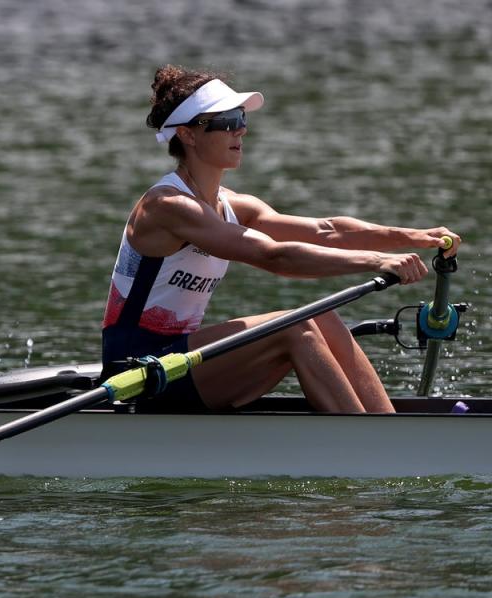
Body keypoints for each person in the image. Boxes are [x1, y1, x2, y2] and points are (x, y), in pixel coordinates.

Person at [101, 65, 461, 413]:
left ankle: (386, 430)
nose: (240, 131)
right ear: (188, 134)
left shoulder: (234, 204)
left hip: (182, 360)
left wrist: (414, 237)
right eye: (227, 122)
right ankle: (367, 452)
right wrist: (377, 262)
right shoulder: (167, 206)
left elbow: (327, 230)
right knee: (297, 326)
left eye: (241, 119)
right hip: (138, 370)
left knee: (324, 318)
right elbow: (275, 258)